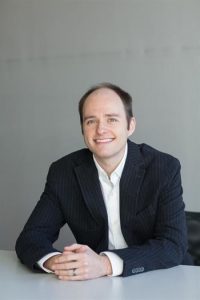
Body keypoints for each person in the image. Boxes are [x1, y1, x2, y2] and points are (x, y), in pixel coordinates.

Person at [15, 83, 192, 281]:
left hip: (163, 279)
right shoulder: (64, 172)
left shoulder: (163, 168)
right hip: (98, 286)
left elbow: (173, 245)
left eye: (111, 119)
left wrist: (105, 264)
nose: (101, 130)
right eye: (91, 121)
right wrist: (58, 262)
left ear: (130, 125)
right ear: (83, 128)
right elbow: (30, 238)